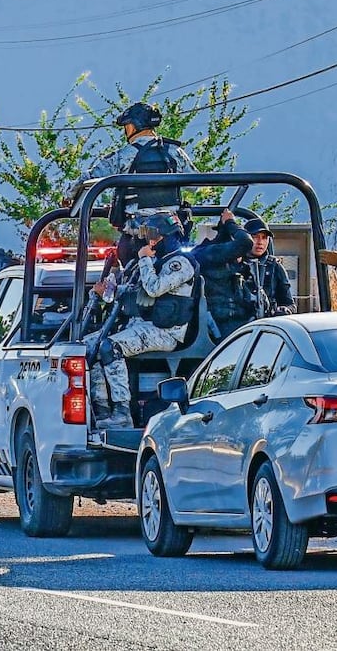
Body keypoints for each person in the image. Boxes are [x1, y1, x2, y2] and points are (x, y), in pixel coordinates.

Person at [85, 213, 197, 430]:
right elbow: (136, 290)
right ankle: (102, 410)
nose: (151, 242)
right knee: (90, 347)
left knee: (111, 348)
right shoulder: (158, 260)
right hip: (145, 325)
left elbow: (154, 288)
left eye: (155, 237)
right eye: (149, 237)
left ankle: (122, 412)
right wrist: (109, 290)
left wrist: (145, 258)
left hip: (167, 331)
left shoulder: (181, 263)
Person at [66, 102, 198, 267]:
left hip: (137, 236)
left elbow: (89, 178)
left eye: (127, 125)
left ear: (133, 126)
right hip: (172, 235)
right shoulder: (174, 152)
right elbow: (194, 184)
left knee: (128, 280)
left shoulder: (124, 155)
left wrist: (68, 195)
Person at [193, 209, 256, 339]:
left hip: (241, 324)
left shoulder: (240, 267)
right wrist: (230, 222)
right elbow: (245, 242)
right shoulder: (208, 254)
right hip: (220, 327)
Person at [242, 218, 295, 318]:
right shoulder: (235, 265)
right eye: (255, 237)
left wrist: (284, 310)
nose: (260, 242)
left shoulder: (275, 267)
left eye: (264, 237)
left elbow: (290, 304)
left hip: (266, 327)